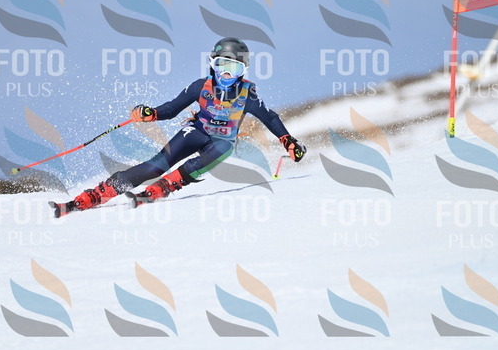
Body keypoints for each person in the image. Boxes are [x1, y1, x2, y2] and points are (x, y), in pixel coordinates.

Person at [49, 37, 306, 217]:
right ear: (212, 65)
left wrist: (288, 141)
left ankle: (165, 187)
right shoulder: (200, 86)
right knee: (155, 166)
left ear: (243, 71)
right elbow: (171, 109)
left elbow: (270, 118)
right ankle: (95, 195)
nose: (226, 75)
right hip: (196, 132)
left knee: (224, 148)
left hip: (222, 140)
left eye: (233, 68)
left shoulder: (247, 95)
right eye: (221, 66)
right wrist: (150, 113)